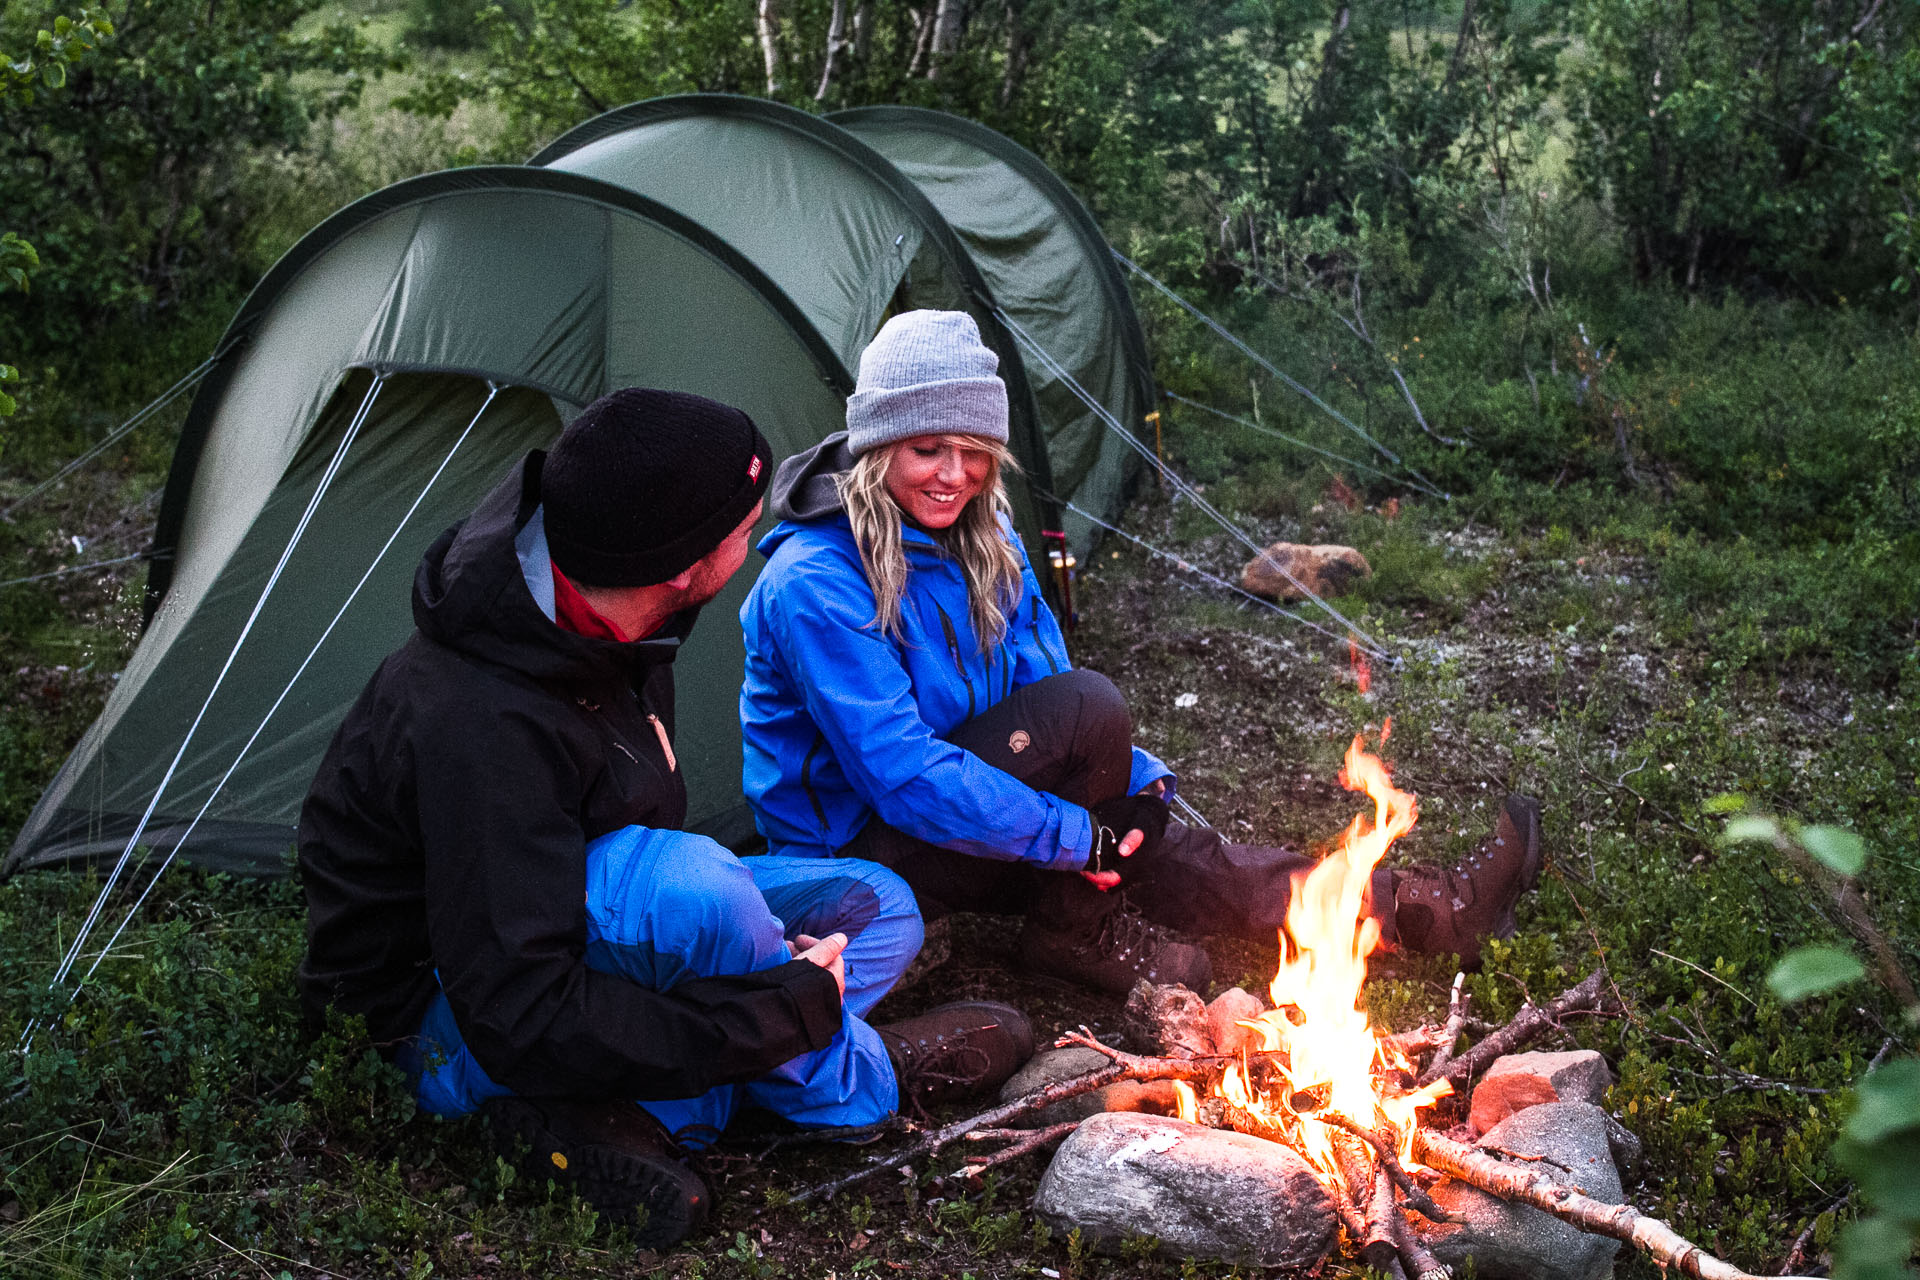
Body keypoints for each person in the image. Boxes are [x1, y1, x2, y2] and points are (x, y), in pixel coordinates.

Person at [297, 388, 1034, 1251]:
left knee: (877, 903)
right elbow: (519, 1005)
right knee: (701, 888)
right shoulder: (482, 724)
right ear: (686, 565)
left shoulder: (623, 620)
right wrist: (776, 1009)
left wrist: (761, 976)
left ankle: (655, 1098)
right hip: (444, 1015)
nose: (762, 532)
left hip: (574, 919)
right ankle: (854, 1081)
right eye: (746, 521)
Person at [740, 311, 1543, 994]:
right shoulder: (815, 581)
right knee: (1093, 747)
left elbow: (1040, 681)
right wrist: (1072, 833)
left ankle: (1422, 912)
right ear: (880, 444)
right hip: (863, 851)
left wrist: (1128, 787)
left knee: (1152, 835)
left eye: (976, 451)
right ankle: (1076, 930)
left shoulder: (983, 533)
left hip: (965, 796)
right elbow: (903, 776)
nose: (957, 476)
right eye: (929, 450)